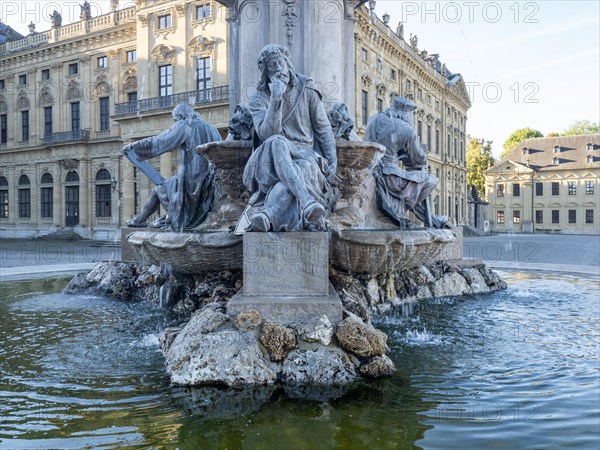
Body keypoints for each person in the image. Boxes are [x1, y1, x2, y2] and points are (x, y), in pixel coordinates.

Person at [242, 44, 338, 232]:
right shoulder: (258, 98)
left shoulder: (306, 88)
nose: (278, 68)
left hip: (303, 156)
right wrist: (276, 97)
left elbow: (323, 128)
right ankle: (307, 201)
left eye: (280, 62)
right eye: (272, 66)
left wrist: (332, 162)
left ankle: (266, 216)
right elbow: (267, 134)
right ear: (265, 72)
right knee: (277, 141)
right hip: (267, 162)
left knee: (297, 172)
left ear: (287, 63)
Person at [123, 103, 221, 230]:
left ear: (181, 116)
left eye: (176, 120)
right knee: (165, 189)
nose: (176, 123)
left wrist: (135, 147)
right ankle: (150, 219)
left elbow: (160, 142)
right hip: (210, 182)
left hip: (192, 181)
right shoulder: (212, 128)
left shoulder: (186, 124)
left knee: (157, 190)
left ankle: (138, 221)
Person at [366, 96, 450, 229]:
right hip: (390, 177)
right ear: (407, 114)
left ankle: (432, 220)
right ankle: (401, 212)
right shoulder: (406, 129)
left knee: (412, 190)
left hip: (370, 170)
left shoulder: (374, 119)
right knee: (431, 181)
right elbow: (418, 158)